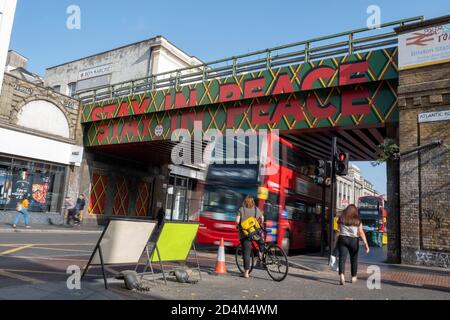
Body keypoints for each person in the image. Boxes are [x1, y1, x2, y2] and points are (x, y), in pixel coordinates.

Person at [335, 204, 370, 285]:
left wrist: (335, 242)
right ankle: (353, 277)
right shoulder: (357, 220)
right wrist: (366, 244)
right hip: (354, 240)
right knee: (354, 259)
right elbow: (361, 232)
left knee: (342, 259)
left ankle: (342, 276)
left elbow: (338, 231)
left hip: (343, 238)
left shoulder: (341, 218)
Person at [235, 195, 264, 279]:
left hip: (245, 234)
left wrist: (237, 225)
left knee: (246, 253)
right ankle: (262, 255)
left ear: (245, 201)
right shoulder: (256, 209)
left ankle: (246, 273)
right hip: (255, 233)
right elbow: (262, 218)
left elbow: (237, 221)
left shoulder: (241, 209)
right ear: (253, 202)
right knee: (261, 243)